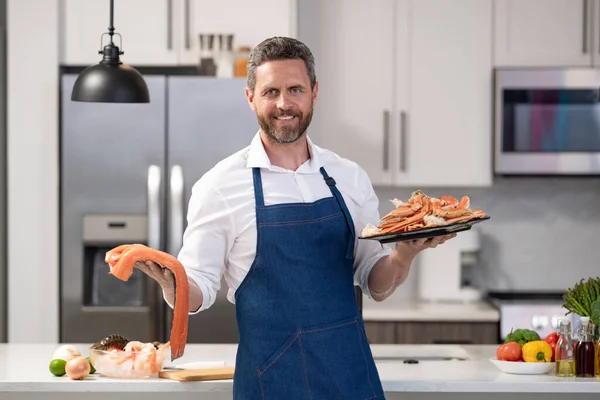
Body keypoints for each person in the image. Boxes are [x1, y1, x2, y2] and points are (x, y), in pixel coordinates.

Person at [136, 36, 455, 399]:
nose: (284, 104)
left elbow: (375, 283)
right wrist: (171, 283)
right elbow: (199, 290)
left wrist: (403, 254)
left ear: (314, 93)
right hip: (271, 383)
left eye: (295, 90)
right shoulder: (220, 186)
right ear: (250, 97)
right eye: (271, 91)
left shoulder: (349, 177)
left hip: (350, 378)